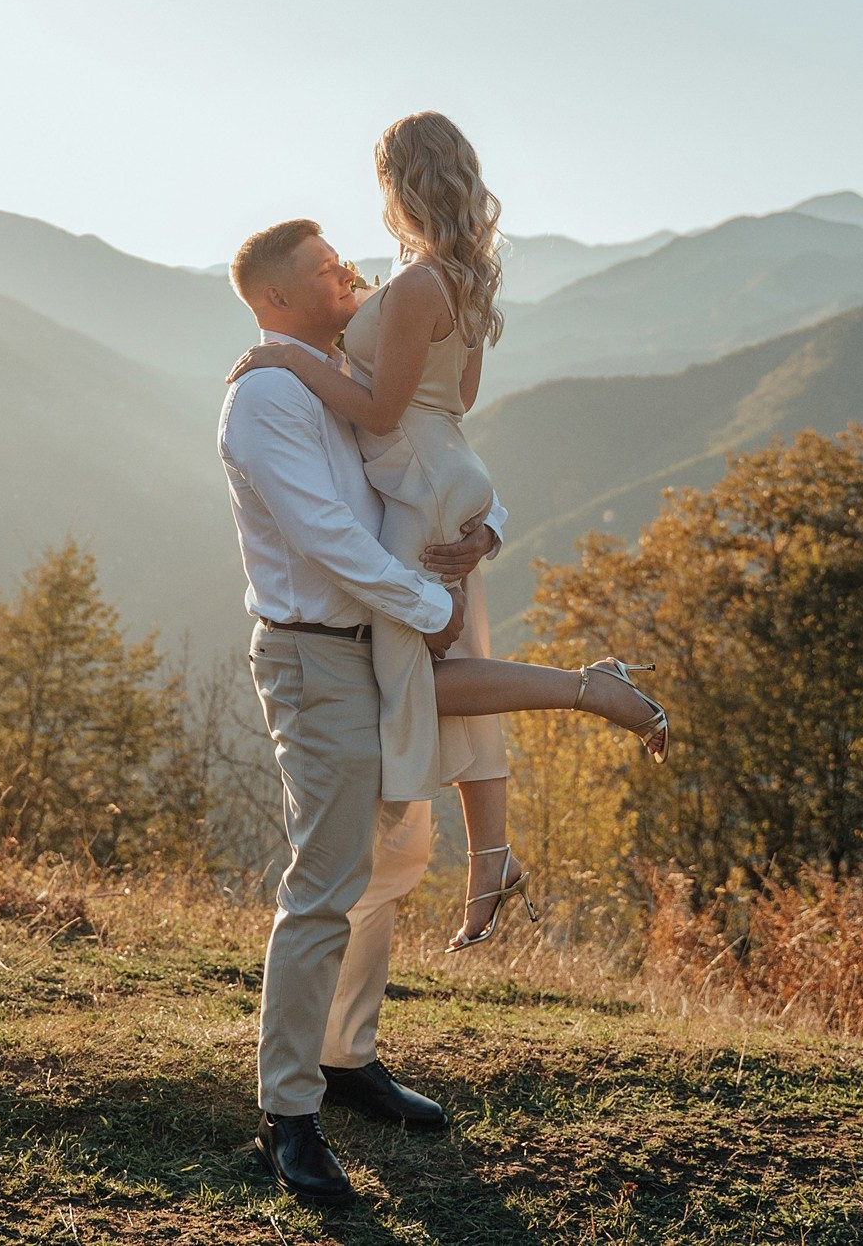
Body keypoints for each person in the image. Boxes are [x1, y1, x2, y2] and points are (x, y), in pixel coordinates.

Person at [219, 204, 667, 1207]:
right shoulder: (265, 402)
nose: (351, 280)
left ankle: (347, 1058)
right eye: (329, 271)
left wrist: (486, 537)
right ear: (279, 298)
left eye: (347, 263)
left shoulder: (345, 383)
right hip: (319, 655)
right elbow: (330, 535)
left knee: (398, 854)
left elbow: (439, 456)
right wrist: (430, 609)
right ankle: (289, 1113)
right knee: (327, 878)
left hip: (383, 642)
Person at [231, 113, 669, 957]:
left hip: (424, 487)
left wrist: (292, 359)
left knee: (415, 682)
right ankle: (492, 859)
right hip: (445, 473)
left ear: (399, 183)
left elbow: (380, 410)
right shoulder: (458, 276)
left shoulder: (424, 281)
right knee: (453, 670)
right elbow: (455, 398)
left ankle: (594, 687)